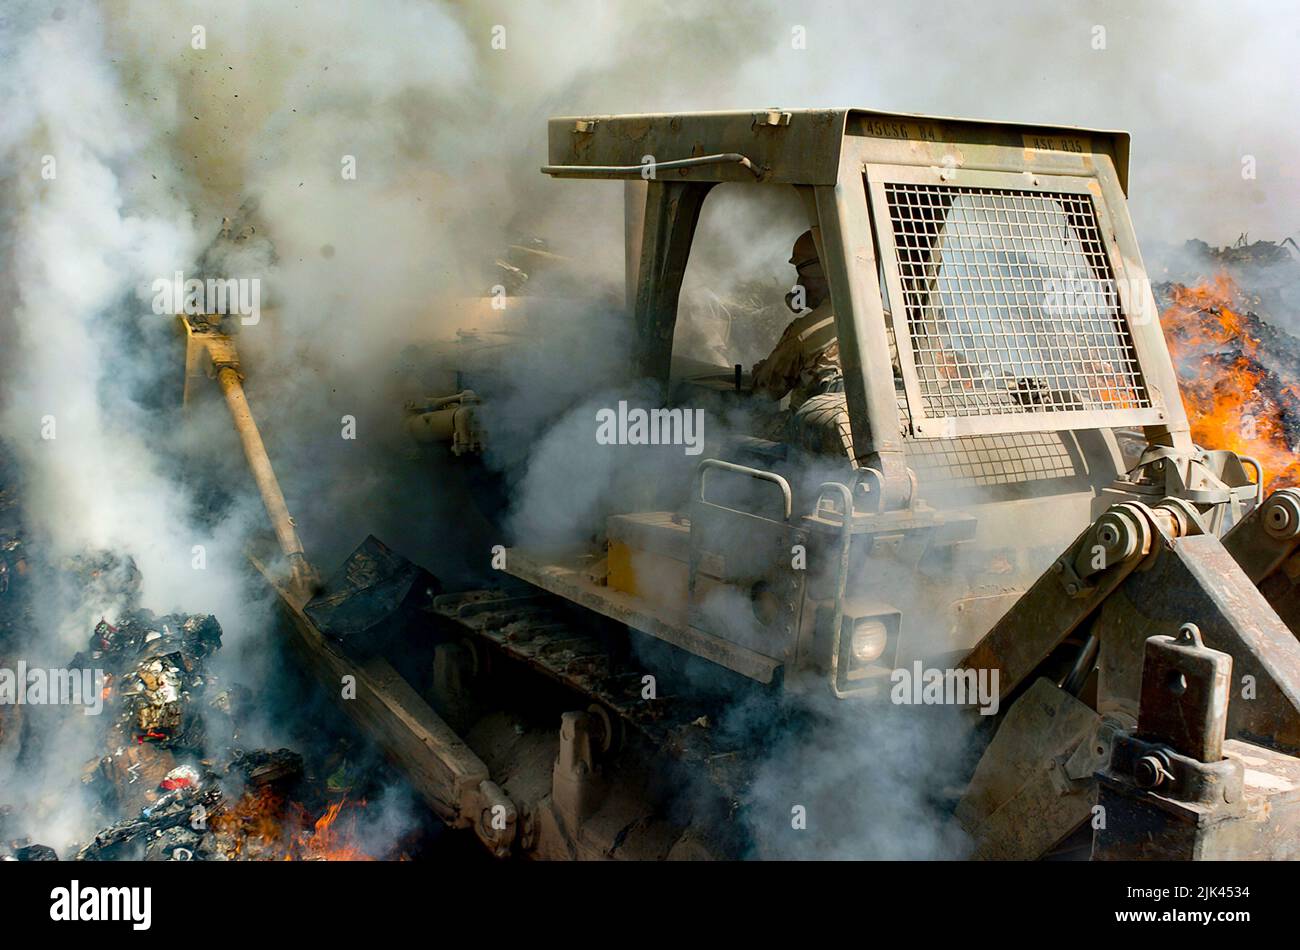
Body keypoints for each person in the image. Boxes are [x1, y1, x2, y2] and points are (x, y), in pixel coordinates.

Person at [752, 229, 854, 458]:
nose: (799, 283)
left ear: (818, 272)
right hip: (857, 433)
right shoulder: (885, 322)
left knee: (738, 425)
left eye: (802, 273)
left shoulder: (805, 332)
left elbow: (766, 390)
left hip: (811, 437)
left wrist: (760, 372)